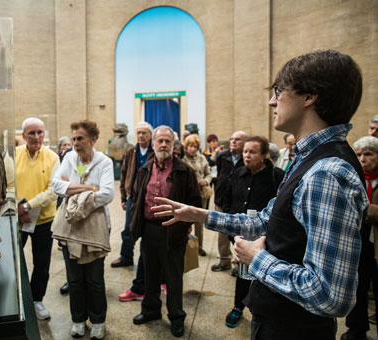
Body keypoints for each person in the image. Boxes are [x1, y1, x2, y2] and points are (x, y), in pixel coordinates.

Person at [152, 50, 368, 340]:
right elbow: (269, 221)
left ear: (310, 96)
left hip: (293, 330)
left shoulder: (326, 173)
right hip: (276, 320)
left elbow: (330, 295)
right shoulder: (310, 159)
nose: (271, 100)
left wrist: (257, 259)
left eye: (279, 91)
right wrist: (200, 214)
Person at [130, 125, 201, 338]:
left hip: (173, 231)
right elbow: (136, 195)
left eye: (167, 141)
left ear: (173, 145)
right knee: (150, 273)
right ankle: (150, 310)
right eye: (159, 141)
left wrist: (185, 225)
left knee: (173, 277)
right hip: (150, 230)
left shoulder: (184, 170)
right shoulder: (145, 169)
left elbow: (195, 201)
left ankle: (176, 316)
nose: (163, 144)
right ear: (153, 144)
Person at [52, 120, 114, 340]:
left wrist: (73, 192)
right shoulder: (69, 158)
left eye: (80, 139)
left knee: (95, 279)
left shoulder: (104, 162)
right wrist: (88, 188)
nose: (75, 143)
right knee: (75, 278)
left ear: (93, 139)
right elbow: (56, 185)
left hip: (95, 227)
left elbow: (107, 194)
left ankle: (98, 321)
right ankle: (78, 319)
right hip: (71, 226)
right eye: (74, 139)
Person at [222, 136, 284, 328]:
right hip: (241, 234)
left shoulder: (277, 176)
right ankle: (237, 307)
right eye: (245, 152)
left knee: (264, 277)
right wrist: (229, 228)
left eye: (253, 152)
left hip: (267, 238)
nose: (247, 155)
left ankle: (263, 311)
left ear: (265, 155)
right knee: (242, 273)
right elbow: (228, 201)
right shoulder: (238, 173)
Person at [15, 117, 60, 320]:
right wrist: (19, 207)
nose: (36, 136)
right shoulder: (14, 155)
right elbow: (7, 184)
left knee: (42, 264)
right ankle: (16, 298)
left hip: (43, 222)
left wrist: (28, 205)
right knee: (15, 260)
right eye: (31, 133)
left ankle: (36, 300)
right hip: (18, 219)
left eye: (39, 132)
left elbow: (53, 191)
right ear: (23, 136)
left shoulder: (53, 158)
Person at [341, 136, 378, 340]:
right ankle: (356, 330)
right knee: (358, 288)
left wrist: (371, 210)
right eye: (359, 154)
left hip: (376, 244)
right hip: (360, 242)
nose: (363, 159)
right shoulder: (355, 178)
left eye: (368, 154)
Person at [115, 122, 154, 303]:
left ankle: (147, 266)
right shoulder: (131, 152)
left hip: (148, 197)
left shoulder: (155, 152)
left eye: (144, 133)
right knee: (128, 228)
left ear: (150, 135)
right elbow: (124, 174)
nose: (141, 136)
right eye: (138, 133)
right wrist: (123, 196)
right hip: (132, 196)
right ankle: (126, 256)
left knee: (146, 232)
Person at [211, 130, 247, 272]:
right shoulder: (222, 156)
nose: (233, 141)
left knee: (240, 232)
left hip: (239, 199)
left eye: (237, 139)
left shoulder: (246, 156)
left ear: (244, 142)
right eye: (232, 139)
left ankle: (237, 262)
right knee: (222, 231)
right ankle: (224, 260)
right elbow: (220, 173)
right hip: (222, 198)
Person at [181, 134, 212, 256]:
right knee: (185, 220)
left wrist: (206, 181)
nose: (192, 149)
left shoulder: (202, 158)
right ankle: (185, 244)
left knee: (199, 221)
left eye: (195, 146)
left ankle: (199, 247)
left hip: (200, 194)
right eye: (190, 146)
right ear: (186, 147)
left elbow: (209, 173)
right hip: (186, 194)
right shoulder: (183, 159)